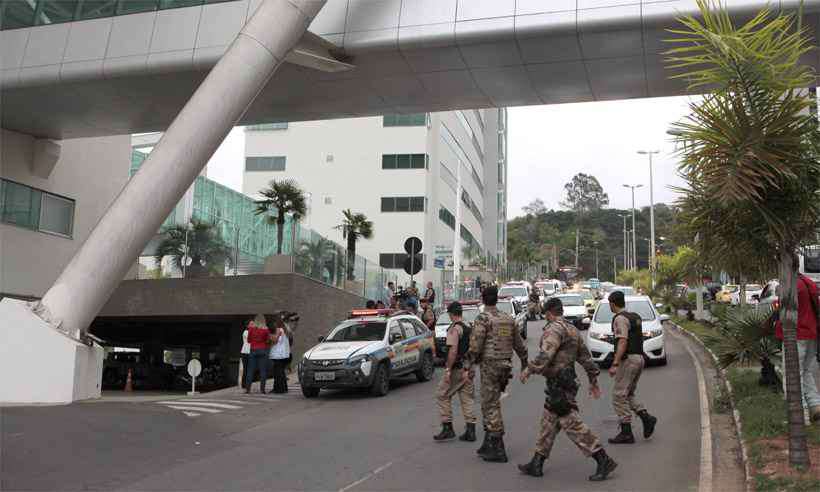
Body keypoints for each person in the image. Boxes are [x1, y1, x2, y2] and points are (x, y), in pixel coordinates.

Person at [519, 297, 617, 481]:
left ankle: (602, 458)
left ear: (548, 313)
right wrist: (593, 379)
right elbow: (586, 358)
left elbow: (546, 353)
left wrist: (529, 369)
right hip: (566, 382)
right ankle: (537, 462)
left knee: (571, 424)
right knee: (548, 423)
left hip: (559, 384)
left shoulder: (554, 328)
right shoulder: (572, 329)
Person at [463, 285, 528, 463]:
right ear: (496, 299)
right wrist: (524, 364)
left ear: (483, 300)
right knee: (491, 402)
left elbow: (475, 346)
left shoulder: (483, 319)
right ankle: (488, 442)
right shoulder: (507, 319)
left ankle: (498, 447)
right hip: (506, 365)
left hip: (490, 365)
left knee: (490, 405)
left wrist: (467, 366)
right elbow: (519, 344)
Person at [607, 291, 658, 443]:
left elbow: (622, 341)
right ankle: (646, 418)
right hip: (639, 358)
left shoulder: (620, 319)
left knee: (618, 395)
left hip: (628, 360)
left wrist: (615, 363)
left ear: (612, 303)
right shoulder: (635, 316)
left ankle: (626, 432)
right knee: (627, 394)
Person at [774, 257, 820, 422]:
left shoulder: (791, 286)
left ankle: (801, 416)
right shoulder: (808, 282)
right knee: (805, 371)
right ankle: (815, 405)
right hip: (811, 333)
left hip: (796, 335)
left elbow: (784, 312)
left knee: (792, 375)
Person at [434, 302, 478, 442]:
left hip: (457, 369)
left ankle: (448, 427)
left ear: (451, 314)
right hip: (468, 368)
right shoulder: (468, 328)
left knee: (442, 394)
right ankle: (471, 430)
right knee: (467, 399)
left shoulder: (454, 329)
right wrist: (469, 367)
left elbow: (452, 351)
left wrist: (447, 369)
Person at [244, 314, 271, 394]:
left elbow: (248, 340)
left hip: (253, 350)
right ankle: (262, 390)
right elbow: (268, 341)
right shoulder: (266, 330)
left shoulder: (251, 329)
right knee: (262, 370)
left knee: (250, 370)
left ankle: (248, 389)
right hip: (262, 350)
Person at [269, 317, 290, 394]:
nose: (273, 325)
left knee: (278, 372)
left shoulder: (279, 330)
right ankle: (283, 388)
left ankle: (279, 389)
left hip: (277, 354)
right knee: (281, 372)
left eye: (274, 323)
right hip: (283, 354)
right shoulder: (286, 329)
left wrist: (269, 335)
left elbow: (275, 340)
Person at [240, 325, 250, 389]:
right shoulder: (246, 332)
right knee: (246, 369)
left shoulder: (250, 332)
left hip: (250, 352)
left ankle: (247, 383)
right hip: (245, 352)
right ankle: (244, 384)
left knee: (249, 369)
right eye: (251, 324)